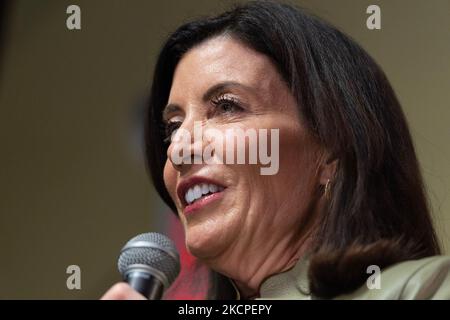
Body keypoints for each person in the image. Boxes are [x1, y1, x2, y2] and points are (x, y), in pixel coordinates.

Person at [102, 1, 450, 300]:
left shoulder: (425, 288)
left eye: (226, 107)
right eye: (173, 128)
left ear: (330, 148)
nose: (179, 149)